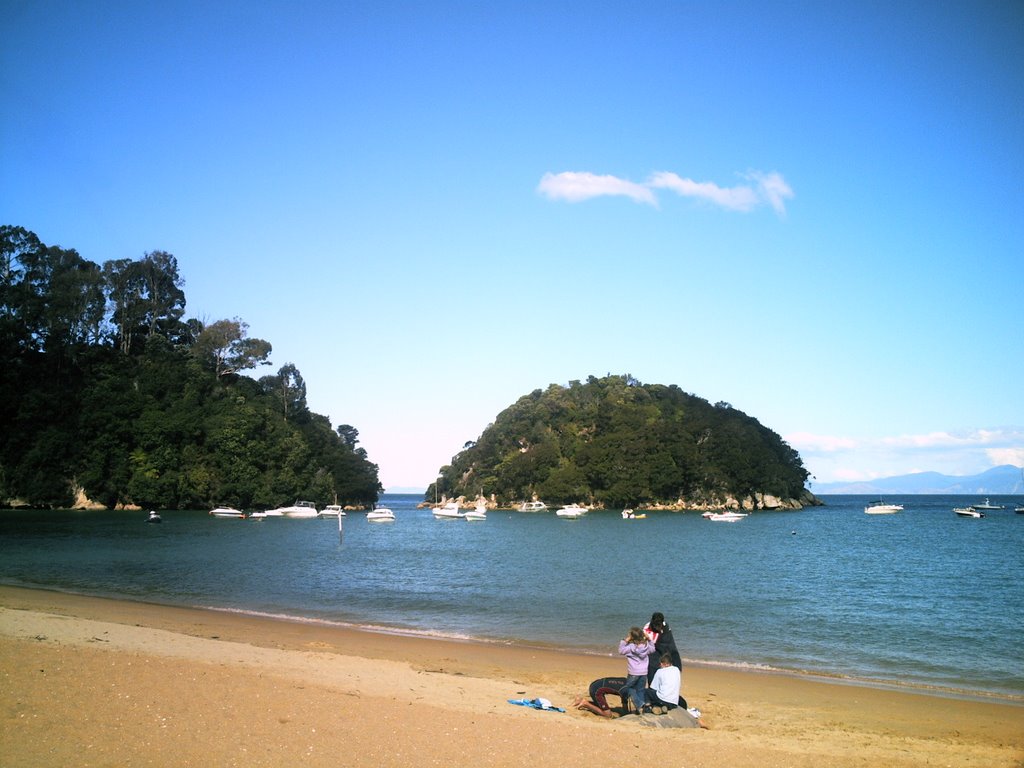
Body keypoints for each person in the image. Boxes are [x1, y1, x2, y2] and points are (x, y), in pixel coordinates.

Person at [618, 626, 655, 714]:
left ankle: (639, 704)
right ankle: (641, 710)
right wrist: (649, 639)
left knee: (628, 688)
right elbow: (653, 649)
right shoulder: (646, 647)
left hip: (633, 673)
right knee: (640, 690)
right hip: (643, 672)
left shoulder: (630, 648)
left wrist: (625, 640)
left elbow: (620, 650)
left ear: (632, 637)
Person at [643, 612, 682, 684]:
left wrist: (677, 666)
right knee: (652, 677)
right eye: (656, 625)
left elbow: (671, 648)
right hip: (652, 656)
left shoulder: (666, 629)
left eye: (659, 625)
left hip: (663, 654)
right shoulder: (647, 628)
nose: (657, 627)